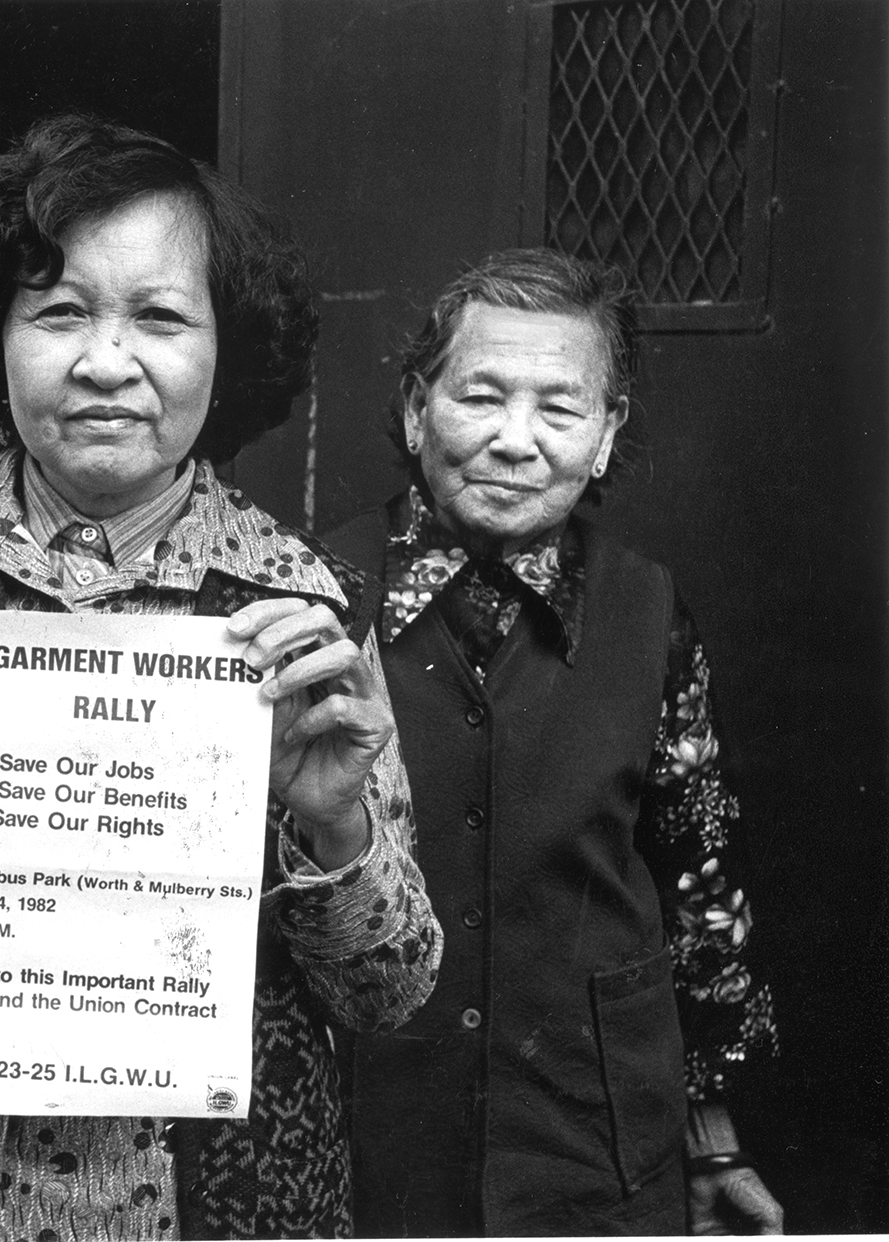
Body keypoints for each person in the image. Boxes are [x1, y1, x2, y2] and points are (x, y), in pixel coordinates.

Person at [0, 114, 443, 1241]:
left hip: (232, 1209)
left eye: (159, 317)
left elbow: (391, 995)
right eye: (60, 312)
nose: (107, 361)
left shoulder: (302, 609)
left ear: (225, 347)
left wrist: (334, 830)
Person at [326, 248, 782, 1236]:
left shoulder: (648, 613)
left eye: (560, 410)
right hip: (367, 1148)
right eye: (480, 396)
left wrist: (712, 1133)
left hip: (595, 1151)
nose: (514, 441)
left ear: (607, 435)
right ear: (415, 409)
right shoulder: (311, 596)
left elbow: (701, 885)